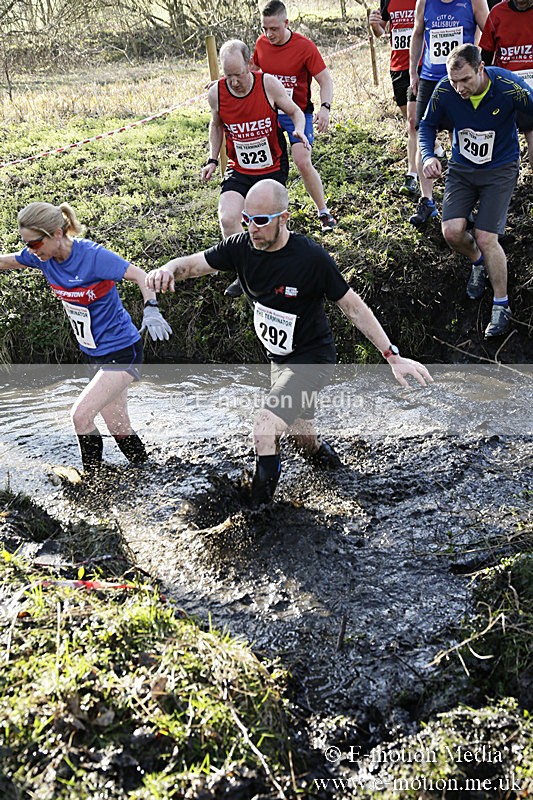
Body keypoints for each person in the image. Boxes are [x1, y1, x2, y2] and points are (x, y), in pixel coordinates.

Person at [146, 179, 432, 507]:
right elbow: (194, 265)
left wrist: (391, 355)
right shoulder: (240, 247)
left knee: (265, 427)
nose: (253, 228)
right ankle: (345, 482)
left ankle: (258, 514)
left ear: (285, 218)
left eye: (262, 220)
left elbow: (352, 307)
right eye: (247, 220)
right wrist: (166, 270)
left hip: (312, 359)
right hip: (279, 361)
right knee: (302, 439)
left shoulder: (310, 258)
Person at [0, 201, 172, 473]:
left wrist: (151, 309)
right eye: (27, 244)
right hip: (94, 352)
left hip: (122, 350)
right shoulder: (41, 257)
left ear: (57, 233)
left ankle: (93, 483)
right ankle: (149, 473)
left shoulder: (93, 257)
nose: (31, 250)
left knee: (80, 416)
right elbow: (5, 262)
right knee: (119, 427)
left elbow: (140, 275)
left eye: (34, 243)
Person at [419, 44, 533, 337]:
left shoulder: (509, 86)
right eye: (454, 81)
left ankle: (501, 304)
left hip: (500, 169)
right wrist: (429, 155)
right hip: (462, 168)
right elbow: (426, 126)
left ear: (481, 68)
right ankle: (478, 263)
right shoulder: (445, 90)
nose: (459, 88)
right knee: (452, 233)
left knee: (486, 236)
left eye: (466, 80)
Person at [202, 38, 309, 298]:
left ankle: (283, 269)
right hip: (240, 168)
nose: (233, 81)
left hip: (271, 165)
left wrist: (298, 130)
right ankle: (246, 275)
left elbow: (296, 111)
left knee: (268, 223)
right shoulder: (217, 92)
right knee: (228, 218)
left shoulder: (267, 84)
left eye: (237, 75)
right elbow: (216, 125)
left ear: (250, 65)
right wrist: (212, 159)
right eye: (228, 76)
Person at [252, 1, 336, 233]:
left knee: (302, 160)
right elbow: (250, 72)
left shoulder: (305, 47)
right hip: (269, 114)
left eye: (274, 29)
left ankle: (323, 211)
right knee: (266, 165)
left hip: (298, 113)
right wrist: (222, 83)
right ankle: (264, 215)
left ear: (286, 23)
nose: (269, 34)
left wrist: (325, 108)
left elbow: (325, 80)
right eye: (265, 28)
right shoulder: (261, 44)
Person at [408, 0, 489, 226]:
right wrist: (413, 71)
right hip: (430, 78)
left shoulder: (473, 1)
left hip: (462, 81)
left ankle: (466, 203)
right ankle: (427, 200)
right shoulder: (424, 1)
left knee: (463, 135)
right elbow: (417, 34)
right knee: (422, 129)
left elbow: (490, 30)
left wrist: (481, 65)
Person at [370, 0, 420, 197]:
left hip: (420, 65)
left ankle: (412, 175)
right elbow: (382, 31)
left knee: (412, 121)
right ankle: (434, 146)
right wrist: (375, 26)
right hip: (397, 66)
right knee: (408, 115)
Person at [479, 0, 533, 167]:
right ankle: (506, 184)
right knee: (505, 139)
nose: (522, 2)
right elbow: (485, 57)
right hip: (505, 88)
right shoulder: (497, 13)